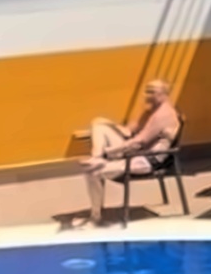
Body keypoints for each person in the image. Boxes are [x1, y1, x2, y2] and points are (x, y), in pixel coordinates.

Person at [74, 79, 182, 224]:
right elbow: (129, 131)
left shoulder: (163, 115)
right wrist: (108, 126)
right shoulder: (150, 109)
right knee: (98, 124)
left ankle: (95, 217)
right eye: (146, 91)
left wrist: (109, 151)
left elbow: (139, 141)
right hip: (135, 153)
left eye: (152, 92)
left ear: (164, 94)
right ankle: (97, 158)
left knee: (92, 172)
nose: (147, 95)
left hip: (147, 160)